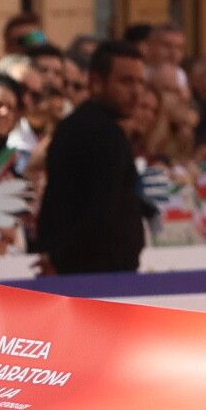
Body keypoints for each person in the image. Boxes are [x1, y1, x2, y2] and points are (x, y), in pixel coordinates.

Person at [35, 39, 150, 275]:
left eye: (140, 82)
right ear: (97, 83)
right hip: (94, 279)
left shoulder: (80, 126)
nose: (136, 92)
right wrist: (62, 260)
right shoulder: (103, 134)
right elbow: (100, 212)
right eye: (126, 81)